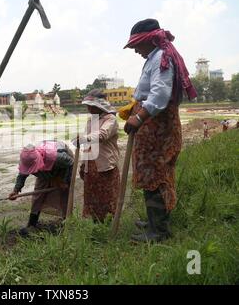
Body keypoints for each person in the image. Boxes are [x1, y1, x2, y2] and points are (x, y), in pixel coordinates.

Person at [123, 19, 197, 242]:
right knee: (151, 173)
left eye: (136, 45)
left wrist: (138, 117)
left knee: (156, 174)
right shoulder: (154, 57)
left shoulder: (161, 58)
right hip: (153, 126)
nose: (135, 50)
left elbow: (159, 95)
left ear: (148, 40)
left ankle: (159, 232)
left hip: (157, 127)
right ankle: (154, 221)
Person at [8, 140, 74, 236]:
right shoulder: (26, 160)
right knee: (38, 194)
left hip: (62, 167)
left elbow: (70, 163)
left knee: (63, 194)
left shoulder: (56, 157)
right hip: (45, 165)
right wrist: (16, 190)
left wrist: (64, 181)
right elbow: (22, 175)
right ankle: (32, 224)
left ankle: (67, 222)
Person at [76, 89, 120, 222]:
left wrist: (83, 139)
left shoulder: (111, 120)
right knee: (92, 198)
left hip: (105, 165)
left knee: (107, 197)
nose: (88, 108)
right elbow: (88, 146)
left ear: (99, 106)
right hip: (91, 166)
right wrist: (83, 164)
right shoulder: (91, 121)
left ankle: (109, 225)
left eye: (91, 106)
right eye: (88, 106)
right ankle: (96, 225)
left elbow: (102, 135)